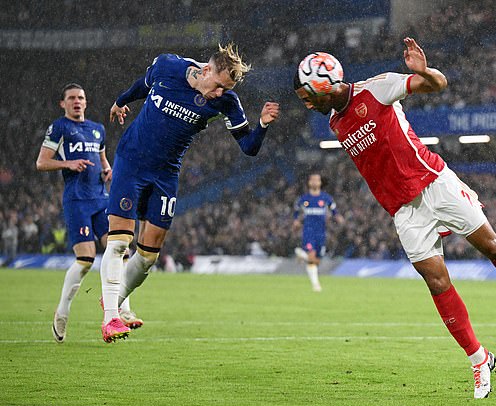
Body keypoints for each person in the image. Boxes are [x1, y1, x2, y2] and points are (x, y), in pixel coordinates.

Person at [293, 38, 496, 399]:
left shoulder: (378, 88)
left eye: (310, 94)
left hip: (435, 183)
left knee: (492, 247)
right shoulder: (335, 124)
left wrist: (423, 71)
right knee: (436, 281)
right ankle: (479, 358)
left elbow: (437, 85)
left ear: (327, 86)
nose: (306, 102)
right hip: (404, 210)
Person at [101, 44, 280, 343]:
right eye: (220, 85)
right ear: (207, 70)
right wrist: (121, 101)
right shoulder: (168, 66)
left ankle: (114, 300)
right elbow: (142, 86)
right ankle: (110, 319)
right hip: (132, 161)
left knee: (147, 257)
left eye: (227, 88)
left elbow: (249, 148)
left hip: (166, 174)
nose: (221, 92)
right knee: (120, 242)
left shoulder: (228, 102)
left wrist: (261, 124)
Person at [36, 83, 142, 343]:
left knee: (120, 249)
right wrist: (68, 163)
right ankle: (62, 312)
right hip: (77, 200)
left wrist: (108, 171)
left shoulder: (97, 129)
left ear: (86, 102)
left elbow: (103, 161)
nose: (76, 101)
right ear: (63, 104)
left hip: (101, 199)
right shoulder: (59, 128)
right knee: (85, 260)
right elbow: (41, 162)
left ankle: (123, 310)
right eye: (71, 98)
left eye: (80, 98)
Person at [292, 173, 344, 292]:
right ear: (309, 183)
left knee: (316, 260)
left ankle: (302, 254)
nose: (315, 182)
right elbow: (296, 212)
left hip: (321, 233)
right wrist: (295, 221)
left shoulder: (326, 198)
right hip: (308, 231)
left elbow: (334, 210)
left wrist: (338, 217)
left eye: (317, 180)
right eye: (313, 180)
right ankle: (316, 285)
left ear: (320, 183)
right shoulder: (304, 199)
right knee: (311, 255)